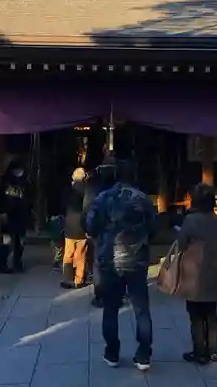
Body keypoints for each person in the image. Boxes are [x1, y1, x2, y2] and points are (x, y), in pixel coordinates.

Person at [86, 159, 156, 371]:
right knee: (141, 308)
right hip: (137, 259)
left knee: (111, 308)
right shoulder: (144, 199)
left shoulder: (104, 197)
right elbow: (154, 229)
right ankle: (144, 353)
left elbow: (90, 225)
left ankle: (112, 351)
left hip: (110, 260)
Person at [177, 183, 217, 365]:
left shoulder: (191, 220)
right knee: (211, 314)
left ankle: (199, 351)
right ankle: (212, 351)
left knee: (196, 315)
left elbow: (182, 243)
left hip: (195, 273)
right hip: (213, 271)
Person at [83, 163, 117, 307]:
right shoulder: (119, 190)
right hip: (116, 232)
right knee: (115, 263)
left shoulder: (93, 189)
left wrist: (88, 229)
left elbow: (87, 210)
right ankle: (114, 294)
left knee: (98, 263)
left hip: (99, 232)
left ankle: (100, 295)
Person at [0, 159, 33, 274]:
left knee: (20, 242)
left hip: (21, 216)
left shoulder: (26, 182)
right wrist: (2, 212)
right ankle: (2, 264)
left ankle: (17, 262)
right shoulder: (4, 182)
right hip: (8, 216)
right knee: (6, 241)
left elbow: (31, 198)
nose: (19, 172)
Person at [61, 168, 88, 289]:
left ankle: (67, 279)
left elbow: (63, 204)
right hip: (82, 225)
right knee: (81, 254)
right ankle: (79, 279)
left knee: (68, 253)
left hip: (70, 224)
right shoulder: (87, 190)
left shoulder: (68, 190)